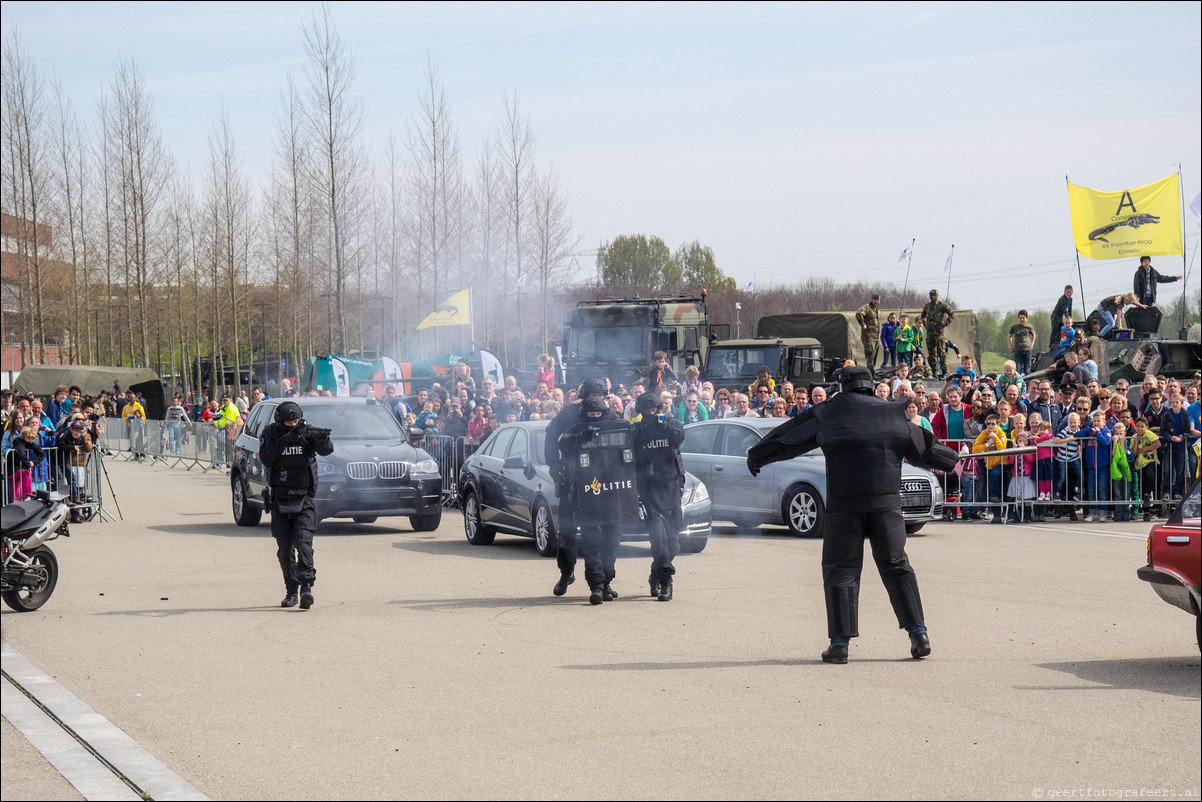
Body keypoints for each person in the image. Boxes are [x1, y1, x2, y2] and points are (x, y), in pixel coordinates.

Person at [746, 367, 956, 663]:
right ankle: (918, 634)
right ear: (871, 387)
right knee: (897, 566)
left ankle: (840, 644)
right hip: (886, 504)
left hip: (844, 505)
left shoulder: (829, 412)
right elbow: (923, 447)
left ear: (842, 386)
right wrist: (952, 460)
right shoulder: (892, 412)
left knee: (841, 568)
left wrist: (758, 455)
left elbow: (790, 437)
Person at [545, 379, 616, 599]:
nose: (596, 400)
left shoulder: (610, 415)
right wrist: (555, 468)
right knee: (567, 532)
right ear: (583, 396)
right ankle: (566, 573)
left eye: (600, 395)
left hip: (601, 483)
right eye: (592, 395)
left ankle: (604, 581)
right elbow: (551, 439)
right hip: (572, 479)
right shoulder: (568, 414)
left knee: (606, 534)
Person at [258, 401, 334, 609]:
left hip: (304, 497)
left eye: (296, 421)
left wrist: (322, 439)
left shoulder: (306, 431)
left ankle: (306, 588)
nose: (293, 424)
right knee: (284, 549)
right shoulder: (270, 433)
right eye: (289, 421)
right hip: (280, 498)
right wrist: (285, 440)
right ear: (279, 420)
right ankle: (291, 590)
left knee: (304, 544)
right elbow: (267, 458)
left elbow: (327, 451)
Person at [556, 395, 625, 604]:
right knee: (591, 541)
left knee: (612, 541)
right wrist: (582, 437)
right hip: (586, 494)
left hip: (612, 494)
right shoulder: (575, 430)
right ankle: (596, 585)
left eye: (598, 414)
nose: (594, 417)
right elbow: (563, 443)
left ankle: (607, 582)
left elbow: (629, 450)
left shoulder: (615, 427)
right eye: (590, 414)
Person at [632, 393, 686, 602]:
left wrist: (665, 427)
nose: (651, 413)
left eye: (654, 409)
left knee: (673, 542)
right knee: (658, 537)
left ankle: (656, 571)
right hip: (648, 488)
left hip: (671, 486)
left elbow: (679, 437)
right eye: (647, 410)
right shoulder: (636, 430)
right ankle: (666, 582)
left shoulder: (671, 423)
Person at [1132, 256, 1182, 331]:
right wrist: (1137, 299)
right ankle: (1140, 331)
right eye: (1145, 261)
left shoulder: (1153, 272)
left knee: (1149, 314)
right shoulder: (1138, 273)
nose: (1146, 263)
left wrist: (1175, 278)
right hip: (1142, 298)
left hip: (1150, 297)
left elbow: (1162, 278)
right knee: (1141, 314)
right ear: (1142, 262)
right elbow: (1136, 287)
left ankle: (1148, 330)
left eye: (1148, 261)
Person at [920, 289, 955, 377]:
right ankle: (934, 371)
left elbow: (952, 314)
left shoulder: (942, 305)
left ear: (937, 296)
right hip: (930, 333)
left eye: (934, 295)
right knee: (931, 353)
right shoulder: (927, 306)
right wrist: (925, 325)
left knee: (942, 353)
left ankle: (944, 371)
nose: (933, 297)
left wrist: (945, 324)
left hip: (939, 333)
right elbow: (923, 316)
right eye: (931, 295)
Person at [855, 293, 882, 372]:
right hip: (869, 336)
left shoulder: (876, 309)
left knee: (875, 354)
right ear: (872, 299)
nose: (876, 302)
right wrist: (863, 324)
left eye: (878, 300)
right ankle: (870, 372)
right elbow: (858, 314)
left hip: (876, 336)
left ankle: (872, 370)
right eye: (875, 300)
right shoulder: (867, 307)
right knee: (869, 354)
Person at [1007, 311, 1036, 375]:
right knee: (1018, 369)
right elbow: (1009, 336)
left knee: (1027, 369)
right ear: (1018, 318)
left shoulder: (1029, 327)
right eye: (1020, 318)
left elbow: (1034, 335)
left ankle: (1027, 383)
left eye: (1023, 318)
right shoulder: (1014, 327)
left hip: (1027, 350)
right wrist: (1010, 346)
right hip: (1018, 350)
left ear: (1026, 319)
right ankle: (1018, 383)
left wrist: (1032, 344)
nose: (1022, 320)